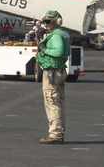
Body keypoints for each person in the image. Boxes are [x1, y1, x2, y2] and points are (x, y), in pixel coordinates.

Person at [36, 10, 71, 144]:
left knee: (52, 101)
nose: (46, 24)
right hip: (59, 71)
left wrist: (44, 50)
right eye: (45, 21)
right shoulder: (64, 33)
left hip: (52, 72)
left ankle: (55, 134)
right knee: (59, 101)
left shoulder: (56, 35)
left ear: (57, 21)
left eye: (48, 22)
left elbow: (58, 51)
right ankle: (59, 132)